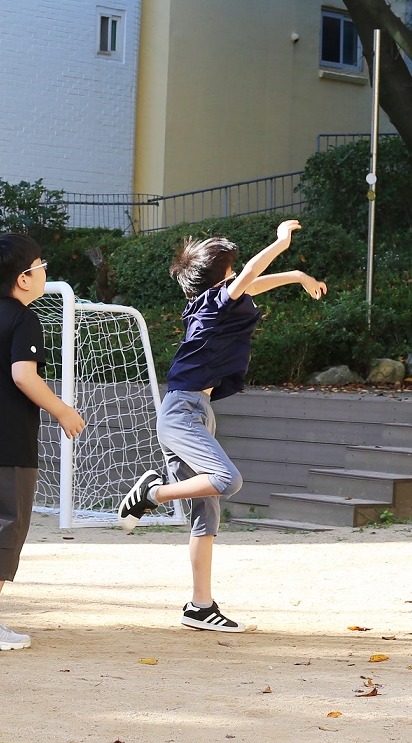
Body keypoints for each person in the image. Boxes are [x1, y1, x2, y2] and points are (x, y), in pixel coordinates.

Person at [115, 219, 326, 631]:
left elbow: (252, 282)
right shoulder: (215, 302)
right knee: (226, 479)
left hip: (195, 411)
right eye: (233, 267)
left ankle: (199, 606)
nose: (240, 271)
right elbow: (250, 276)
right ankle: (152, 493)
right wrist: (281, 242)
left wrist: (297, 276)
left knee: (205, 520)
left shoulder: (211, 299)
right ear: (224, 274)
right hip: (182, 413)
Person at [0, 234, 86, 652]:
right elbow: (24, 375)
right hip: (7, 443)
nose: (45, 272)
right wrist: (62, 410)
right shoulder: (24, 319)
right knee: (9, 523)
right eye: (42, 264)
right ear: (24, 279)